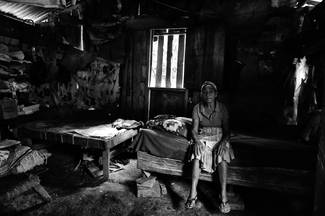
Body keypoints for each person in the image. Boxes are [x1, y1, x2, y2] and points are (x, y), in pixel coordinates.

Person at [185, 81, 235, 213]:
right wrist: (197, 141)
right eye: (205, 92)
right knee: (197, 153)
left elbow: (227, 130)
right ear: (201, 94)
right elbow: (194, 131)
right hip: (202, 136)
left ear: (216, 94)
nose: (208, 94)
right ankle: (193, 193)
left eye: (211, 91)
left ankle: (223, 195)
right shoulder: (197, 108)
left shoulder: (222, 108)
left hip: (219, 136)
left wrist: (223, 143)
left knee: (222, 153)